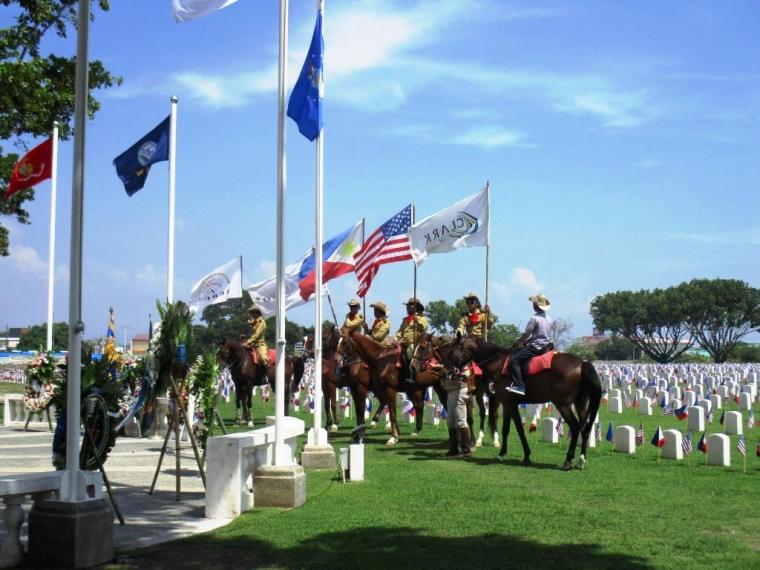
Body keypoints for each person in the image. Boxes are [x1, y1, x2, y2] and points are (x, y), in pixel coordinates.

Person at [506, 294, 552, 396]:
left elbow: (527, 333)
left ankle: (520, 386)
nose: (532, 305)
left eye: (533, 304)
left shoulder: (534, 318)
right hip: (546, 345)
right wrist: (527, 341)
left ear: (536, 306)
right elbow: (540, 335)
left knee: (514, 361)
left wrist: (518, 341)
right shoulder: (549, 318)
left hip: (536, 347)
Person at [456, 292, 493, 393]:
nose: (469, 304)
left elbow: (489, 326)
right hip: (468, 341)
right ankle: (458, 376)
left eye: (472, 301)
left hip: (480, 341)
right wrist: (458, 334)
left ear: (477, 303)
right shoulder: (465, 317)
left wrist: (489, 313)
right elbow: (461, 326)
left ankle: (491, 381)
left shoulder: (483, 315)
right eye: (468, 302)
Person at [442, 364, 472, 458]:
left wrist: (446, 371)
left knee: (461, 421)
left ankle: (466, 450)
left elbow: (463, 377)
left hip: (459, 391)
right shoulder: (448, 363)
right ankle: (453, 449)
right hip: (450, 392)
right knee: (450, 421)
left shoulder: (462, 364)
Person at [395, 297, 428, 383]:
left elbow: (424, 328)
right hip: (403, 343)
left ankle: (411, 375)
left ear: (416, 307)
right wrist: (397, 339)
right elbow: (399, 331)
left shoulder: (421, 318)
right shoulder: (405, 320)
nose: (408, 308)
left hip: (415, 343)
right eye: (407, 306)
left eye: (410, 306)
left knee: (410, 352)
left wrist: (417, 321)